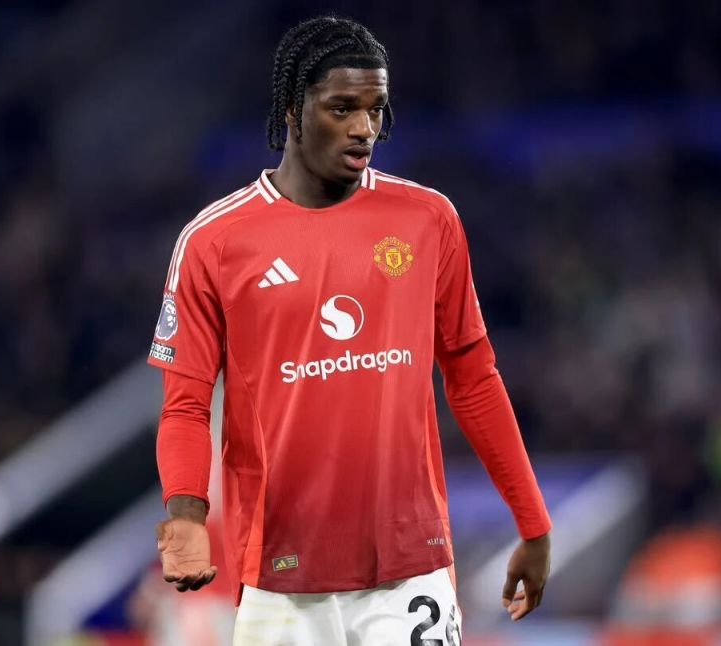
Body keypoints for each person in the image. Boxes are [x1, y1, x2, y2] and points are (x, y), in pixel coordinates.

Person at [148, 15, 552, 644]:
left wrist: (534, 523)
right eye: (342, 109)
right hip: (279, 576)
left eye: (375, 109)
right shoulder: (214, 242)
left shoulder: (427, 219)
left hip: (410, 569)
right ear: (292, 109)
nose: (365, 128)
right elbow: (186, 405)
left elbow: (474, 378)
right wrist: (187, 512)